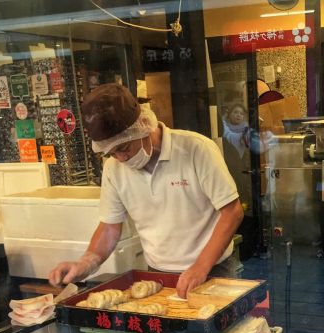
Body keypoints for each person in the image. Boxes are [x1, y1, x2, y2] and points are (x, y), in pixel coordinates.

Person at [48, 84, 244, 297]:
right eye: (110, 153)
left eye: (123, 148)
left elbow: (232, 212)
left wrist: (201, 267)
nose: (120, 158)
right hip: (157, 273)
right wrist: (85, 263)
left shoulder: (196, 149)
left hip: (213, 269)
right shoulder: (114, 170)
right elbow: (110, 227)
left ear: (143, 126)